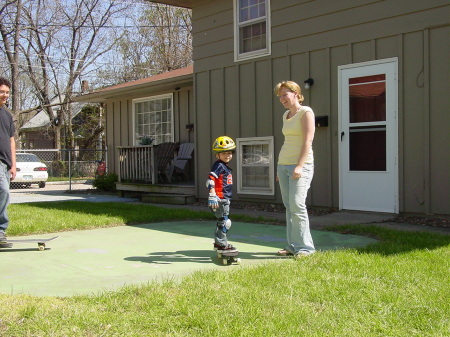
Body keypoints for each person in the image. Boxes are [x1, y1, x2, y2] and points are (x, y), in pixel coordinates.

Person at [274, 80, 315, 257]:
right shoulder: (286, 115)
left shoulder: (306, 112)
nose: (282, 98)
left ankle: (305, 248)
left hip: (301, 166)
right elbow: (288, 141)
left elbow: (308, 141)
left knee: (298, 205)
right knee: (289, 207)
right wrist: (279, 168)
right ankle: (292, 246)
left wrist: (299, 165)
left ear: (296, 94)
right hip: (283, 165)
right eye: (280, 96)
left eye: (285, 94)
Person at [206, 136, 236, 251]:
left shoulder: (224, 166)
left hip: (224, 199)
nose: (227, 155)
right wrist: (212, 194)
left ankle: (220, 243)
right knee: (224, 222)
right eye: (224, 153)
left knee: (223, 221)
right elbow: (210, 179)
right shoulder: (219, 166)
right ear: (217, 155)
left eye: (229, 153)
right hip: (220, 199)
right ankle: (221, 244)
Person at [0, 77, 16, 247]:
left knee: (2, 195)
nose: (5, 95)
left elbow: (11, 140)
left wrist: (13, 164)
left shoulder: (7, 115)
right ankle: (0, 229)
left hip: (5, 163)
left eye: (7, 92)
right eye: (2, 91)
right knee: (3, 191)